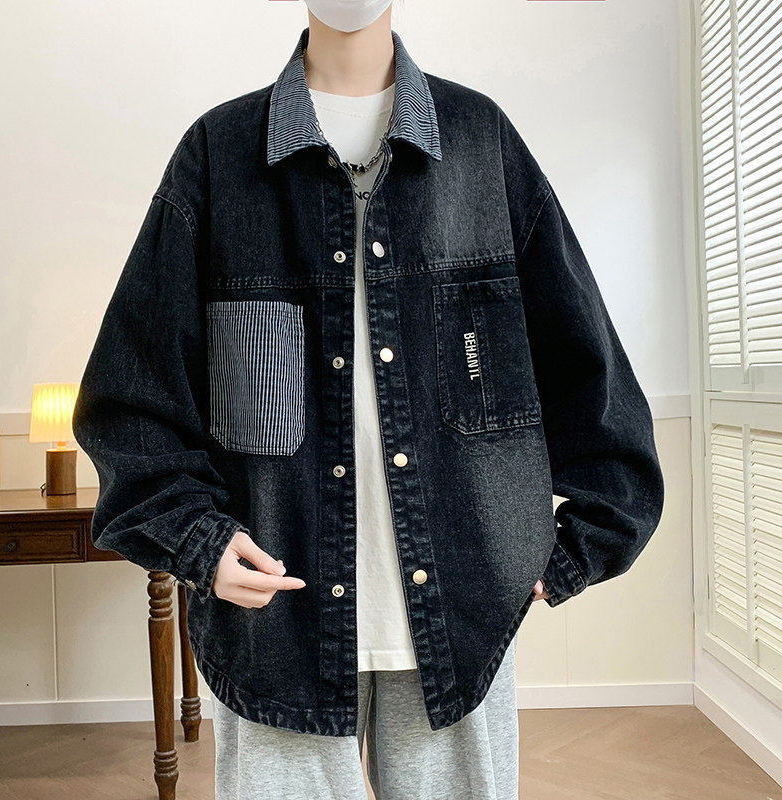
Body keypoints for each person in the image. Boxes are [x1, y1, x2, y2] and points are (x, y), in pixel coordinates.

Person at [72, 2, 665, 798]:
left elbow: (584, 359)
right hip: (275, 622)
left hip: (460, 614)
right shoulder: (218, 153)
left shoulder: (480, 140)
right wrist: (198, 540)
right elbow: (130, 396)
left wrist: (579, 540)